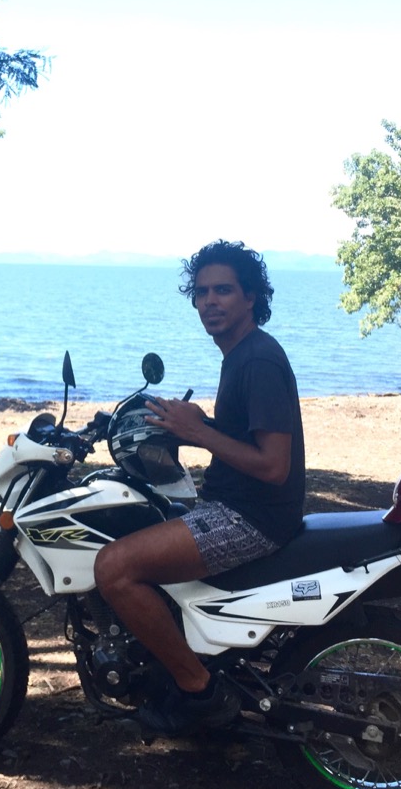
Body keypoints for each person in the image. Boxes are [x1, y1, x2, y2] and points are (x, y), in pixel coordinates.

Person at [92, 239, 306, 736]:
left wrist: (198, 433)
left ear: (250, 297)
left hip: (250, 516)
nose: (210, 301)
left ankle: (198, 690)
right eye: (203, 292)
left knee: (115, 567)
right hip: (238, 503)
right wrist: (191, 422)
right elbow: (243, 438)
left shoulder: (258, 361)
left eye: (224, 290)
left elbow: (274, 466)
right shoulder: (242, 354)